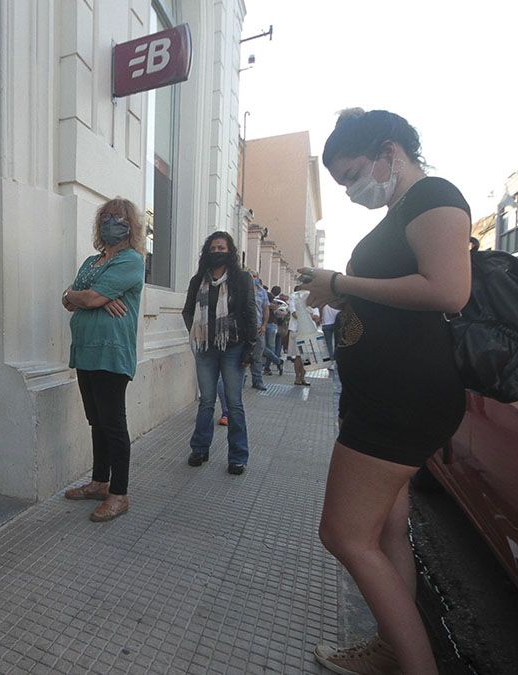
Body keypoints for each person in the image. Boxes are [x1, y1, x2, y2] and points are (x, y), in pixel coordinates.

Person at [299, 108, 471, 675]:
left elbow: (448, 290)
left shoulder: (434, 197)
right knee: (387, 528)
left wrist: (342, 283)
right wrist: (342, 298)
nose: (350, 191)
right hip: (381, 396)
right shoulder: (402, 210)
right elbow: (397, 297)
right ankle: (392, 647)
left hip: (401, 401)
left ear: (389, 153)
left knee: (344, 534)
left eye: (351, 176)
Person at [61, 198, 146, 522]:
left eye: (120, 218)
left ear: (131, 226)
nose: (113, 222)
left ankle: (119, 493)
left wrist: (89, 298)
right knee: (96, 421)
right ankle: (99, 482)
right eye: (107, 217)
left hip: (112, 353)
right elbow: (68, 298)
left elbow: (89, 296)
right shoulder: (91, 262)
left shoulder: (131, 261)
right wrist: (85, 298)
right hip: (85, 350)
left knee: (113, 425)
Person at [182, 231, 257, 475]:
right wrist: (197, 334)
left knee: (234, 404)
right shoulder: (198, 280)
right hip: (206, 350)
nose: (217, 251)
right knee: (206, 401)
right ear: (207, 251)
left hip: (233, 348)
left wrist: (250, 348)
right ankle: (199, 449)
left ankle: (237, 456)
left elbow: (249, 312)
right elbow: (187, 311)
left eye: (221, 248)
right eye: (213, 248)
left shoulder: (241, 279)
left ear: (230, 251)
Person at [247, 271, 271, 391]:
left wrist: (264, 325)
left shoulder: (262, 292)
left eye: (255, 277)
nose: (253, 279)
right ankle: (241, 380)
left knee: (257, 356)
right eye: (251, 277)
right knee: (242, 355)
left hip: (258, 329)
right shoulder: (242, 289)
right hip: (245, 329)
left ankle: (257, 381)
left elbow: (266, 309)